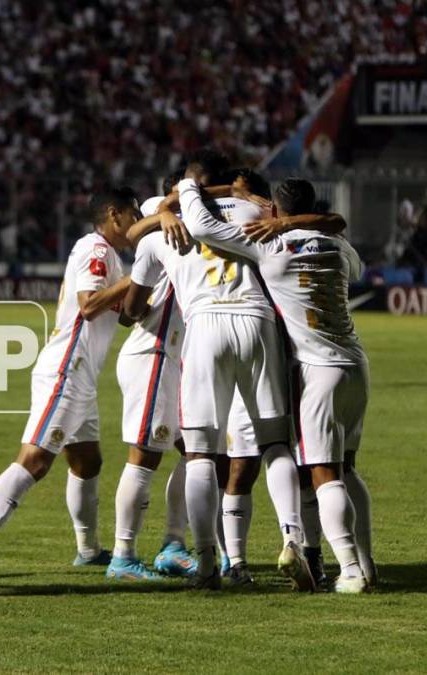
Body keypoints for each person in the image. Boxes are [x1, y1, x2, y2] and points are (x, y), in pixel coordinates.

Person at [177, 175, 376, 593]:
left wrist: (191, 188)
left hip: (315, 369)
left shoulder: (268, 244)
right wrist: (306, 223)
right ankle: (365, 562)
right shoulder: (341, 248)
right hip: (356, 365)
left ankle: (351, 572)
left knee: (324, 472)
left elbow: (203, 227)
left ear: (275, 212)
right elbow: (344, 244)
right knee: (348, 467)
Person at [123, 151, 293, 590]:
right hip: (258, 324)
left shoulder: (168, 223)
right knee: (273, 445)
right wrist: (236, 193)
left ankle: (204, 563)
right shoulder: (256, 208)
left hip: (203, 330)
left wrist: (167, 209)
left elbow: (132, 299)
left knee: (200, 454)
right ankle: (287, 546)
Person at [0, 186, 138, 578]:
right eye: (132, 214)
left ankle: (88, 550)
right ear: (113, 213)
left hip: (82, 373)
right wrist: (140, 276)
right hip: (67, 368)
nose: (136, 223)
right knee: (35, 459)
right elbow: (89, 305)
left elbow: (121, 313)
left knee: (87, 462)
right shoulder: (97, 249)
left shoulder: (112, 258)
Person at [106, 170, 195, 581]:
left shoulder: (193, 222)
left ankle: (173, 545)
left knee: (196, 452)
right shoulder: (156, 217)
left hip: (176, 358)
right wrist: (166, 212)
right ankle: (122, 557)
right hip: (153, 352)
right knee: (145, 456)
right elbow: (136, 230)